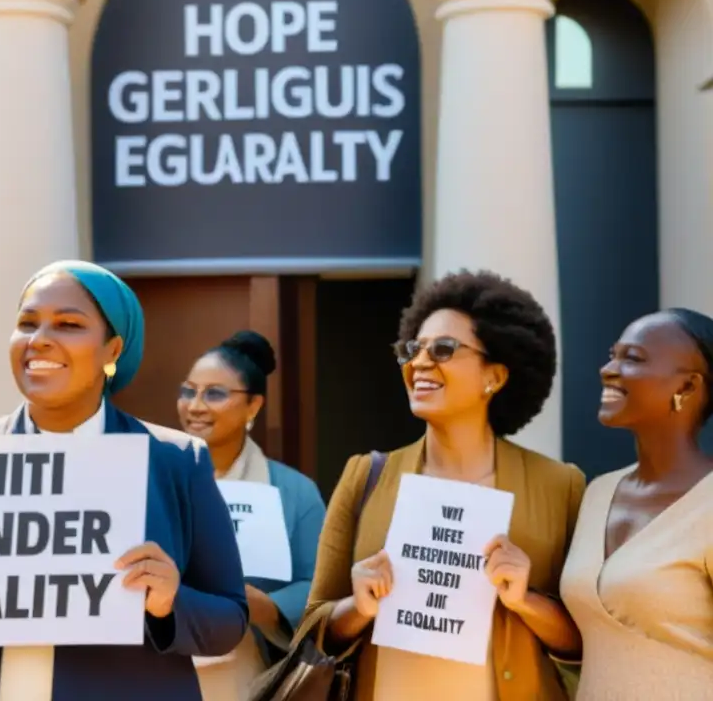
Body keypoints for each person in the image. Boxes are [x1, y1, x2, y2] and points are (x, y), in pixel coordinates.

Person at [0, 259, 249, 700]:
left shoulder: (175, 461)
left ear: (112, 351)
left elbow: (229, 620)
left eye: (68, 324)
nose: (40, 341)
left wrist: (170, 603)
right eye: (27, 323)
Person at [299, 270, 585, 700]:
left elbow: (585, 642)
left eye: (445, 349)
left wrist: (527, 600)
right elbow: (311, 630)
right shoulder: (366, 475)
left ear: (496, 376)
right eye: (414, 349)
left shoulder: (559, 485)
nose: (420, 363)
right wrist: (356, 608)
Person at [560, 308, 713, 697]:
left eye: (632, 358)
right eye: (613, 354)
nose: (608, 369)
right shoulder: (598, 493)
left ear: (688, 387)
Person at [177, 330, 326, 699]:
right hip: (157, 669)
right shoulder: (152, 477)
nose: (195, 405)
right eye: (188, 391)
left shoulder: (293, 492)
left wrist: (268, 606)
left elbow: (321, 588)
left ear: (254, 406)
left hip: (246, 677)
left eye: (214, 393)